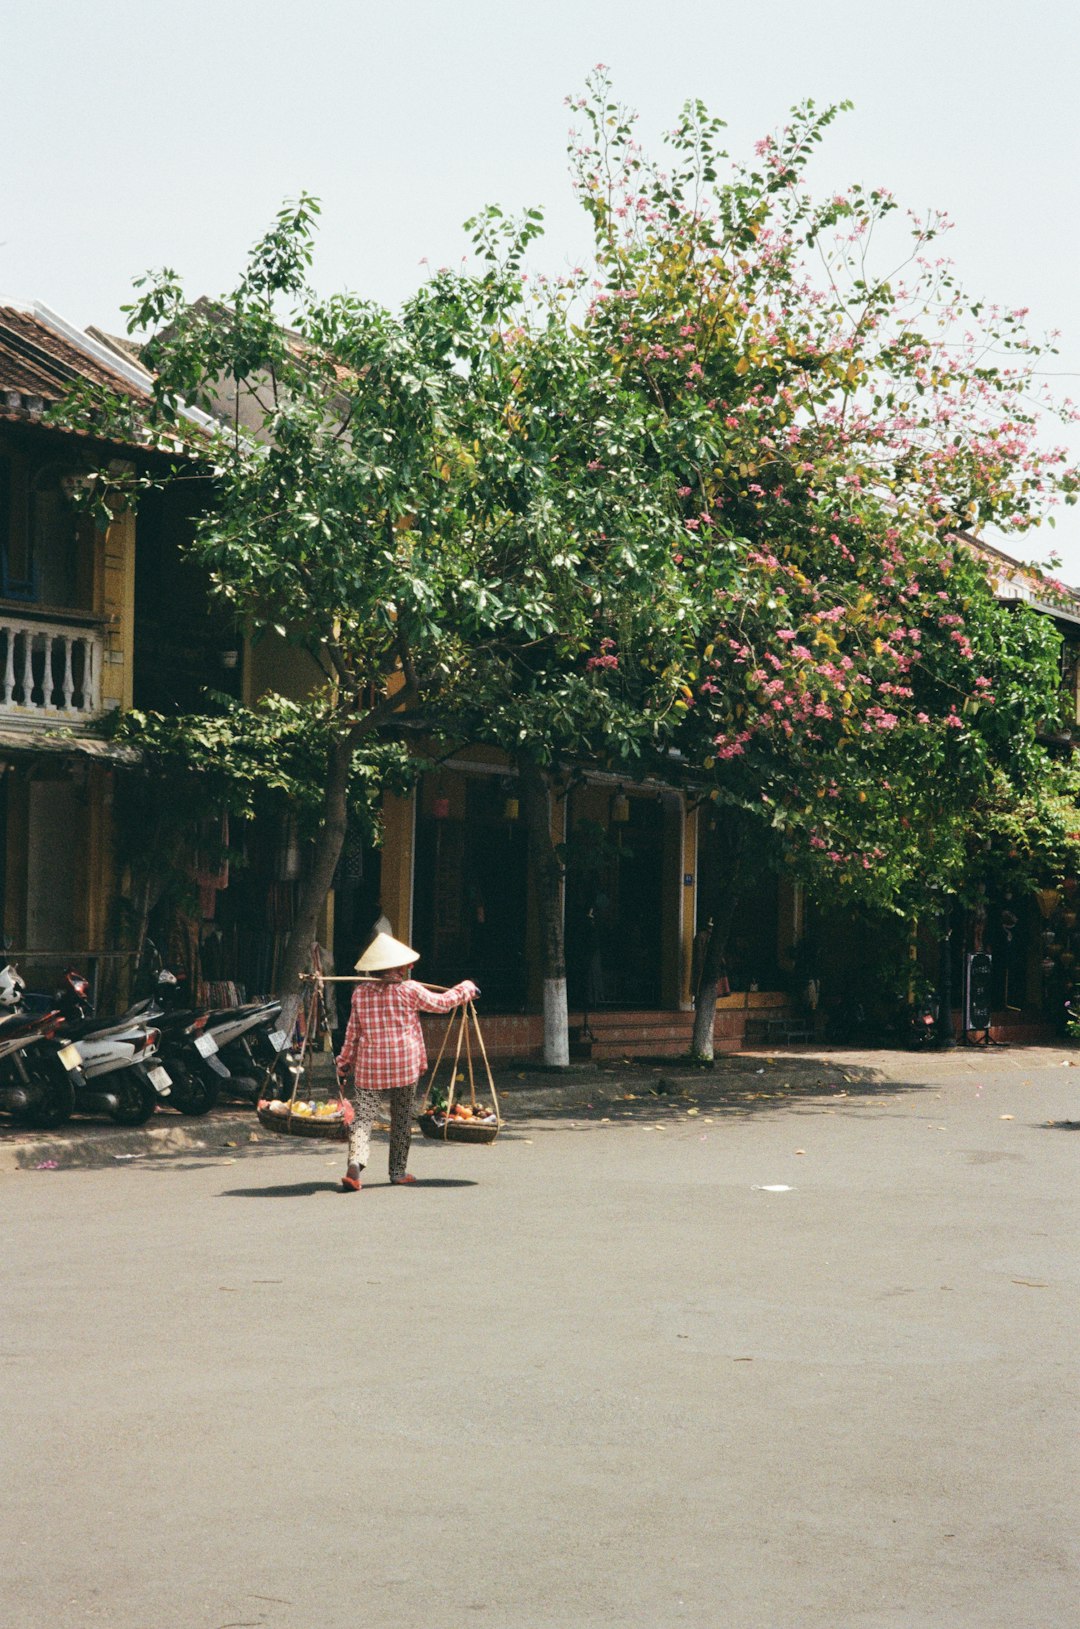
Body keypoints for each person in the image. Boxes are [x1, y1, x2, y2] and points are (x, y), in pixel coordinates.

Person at [335, 931, 478, 1192]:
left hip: (371, 1066)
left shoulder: (360, 993)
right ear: (396, 969)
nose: (404, 970)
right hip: (404, 1065)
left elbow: (353, 1033)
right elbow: (443, 1004)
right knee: (401, 1119)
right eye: (401, 967)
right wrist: (465, 988)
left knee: (363, 1119)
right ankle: (398, 1172)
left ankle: (355, 1163)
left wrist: (344, 1061)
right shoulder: (410, 990)